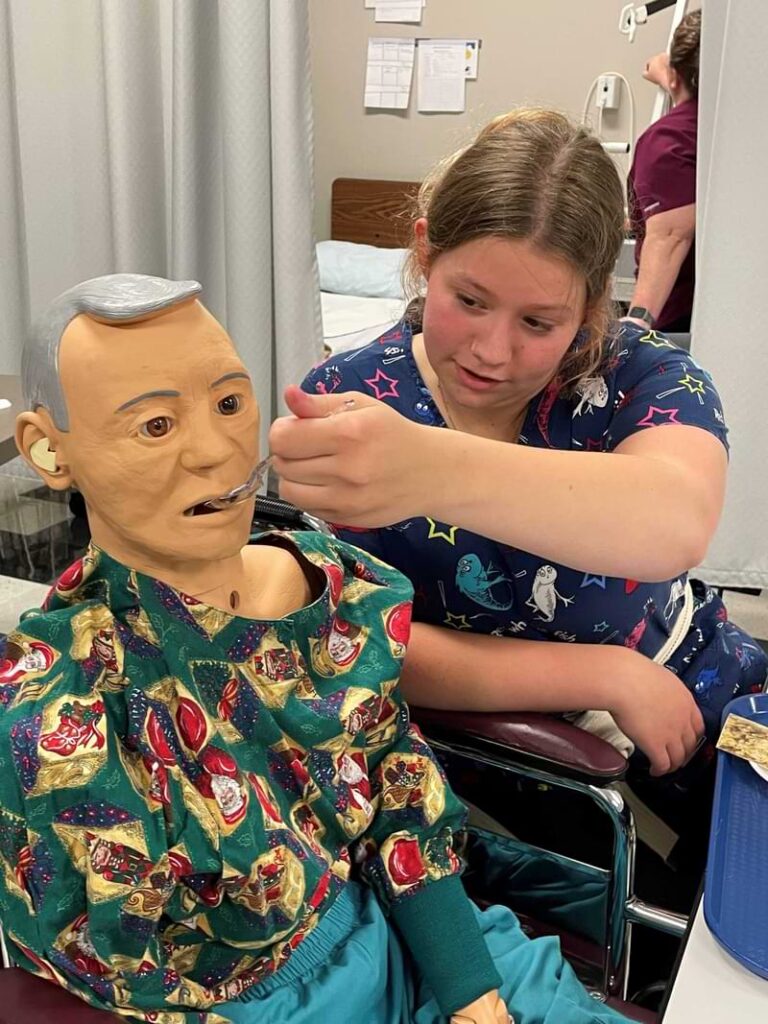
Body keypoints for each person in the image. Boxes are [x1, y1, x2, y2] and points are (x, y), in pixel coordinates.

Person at [0, 273, 630, 1024]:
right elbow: (121, 976)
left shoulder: (328, 588)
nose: (216, 451)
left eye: (229, 404)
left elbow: (398, 790)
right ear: (49, 450)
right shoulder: (64, 708)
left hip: (412, 923)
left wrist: (470, 987)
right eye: (156, 426)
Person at [270, 109, 767, 791]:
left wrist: (425, 468)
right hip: (496, 760)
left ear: (591, 307)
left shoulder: (641, 375)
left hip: (695, 676)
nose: (491, 351)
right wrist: (602, 675)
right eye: (469, 301)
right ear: (425, 254)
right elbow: (352, 637)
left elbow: (676, 522)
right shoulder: (351, 401)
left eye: (537, 322)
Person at [626, 10, 701, 334]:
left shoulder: (669, 140)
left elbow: (670, 235)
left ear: (676, 75)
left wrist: (638, 322)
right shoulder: (727, 130)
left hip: (676, 323)